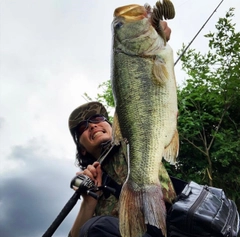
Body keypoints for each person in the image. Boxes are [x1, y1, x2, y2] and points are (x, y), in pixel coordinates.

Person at [68, 22, 174, 237]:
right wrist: (89, 199)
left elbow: (148, 93)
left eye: (97, 118)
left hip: (168, 224)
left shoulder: (129, 140)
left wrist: (154, 39)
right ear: (82, 149)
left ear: (112, 124)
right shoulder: (92, 182)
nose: (93, 125)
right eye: (83, 127)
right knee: (92, 228)